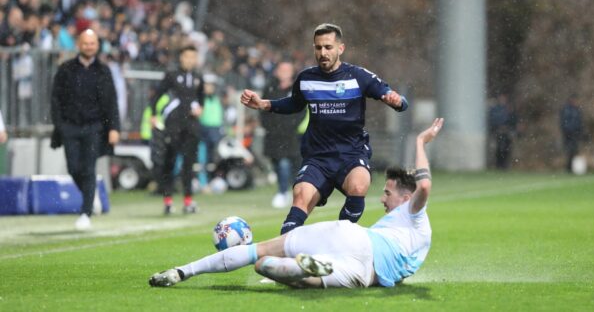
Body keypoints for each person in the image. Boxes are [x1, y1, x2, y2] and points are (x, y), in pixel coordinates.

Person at [148, 118, 443, 289]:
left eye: (388, 193)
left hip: (348, 235)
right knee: (305, 282)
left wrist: (420, 142)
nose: (382, 198)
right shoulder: (414, 237)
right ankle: (304, 270)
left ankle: (182, 272)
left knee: (258, 254)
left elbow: (425, 185)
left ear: (406, 198)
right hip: (364, 271)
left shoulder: (413, 212)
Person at [241, 23, 408, 234]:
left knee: (358, 186)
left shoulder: (358, 76)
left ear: (341, 48)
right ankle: (283, 252)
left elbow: (398, 101)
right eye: (318, 48)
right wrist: (264, 104)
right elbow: (294, 104)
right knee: (301, 195)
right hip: (318, 157)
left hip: (351, 153)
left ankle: (338, 240)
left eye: (328, 47)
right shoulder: (306, 78)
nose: (323, 53)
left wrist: (397, 101)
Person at [50, 29, 120, 230]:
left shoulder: (104, 71)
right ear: (78, 44)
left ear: (97, 45)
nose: (89, 46)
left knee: (89, 169)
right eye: (86, 43)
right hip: (70, 126)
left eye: (93, 43)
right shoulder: (65, 69)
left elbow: (111, 102)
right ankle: (91, 195)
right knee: (73, 168)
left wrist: (114, 128)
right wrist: (60, 125)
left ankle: (85, 211)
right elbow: (56, 99)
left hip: (94, 127)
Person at [151, 45, 204, 214]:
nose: (190, 60)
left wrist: (200, 108)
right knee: (170, 163)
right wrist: (153, 114)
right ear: (181, 58)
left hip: (191, 127)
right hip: (173, 126)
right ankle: (168, 201)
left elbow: (201, 99)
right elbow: (156, 95)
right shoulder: (171, 75)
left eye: (193, 57)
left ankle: (188, 201)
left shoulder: (198, 77)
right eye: (187, 56)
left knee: (188, 165)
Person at [260, 61, 304, 208]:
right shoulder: (270, 87)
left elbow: (301, 111)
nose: (284, 72)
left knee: (286, 163)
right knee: (276, 162)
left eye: (287, 69)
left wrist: (291, 126)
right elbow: (263, 108)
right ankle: (285, 190)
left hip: (291, 135)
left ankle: (284, 192)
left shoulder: (297, 89)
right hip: (273, 134)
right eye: (281, 69)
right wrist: (269, 126)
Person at [488, 94, 517, 169]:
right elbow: (493, 120)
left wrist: (509, 127)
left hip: (507, 132)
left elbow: (513, 119)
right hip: (498, 132)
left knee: (507, 149)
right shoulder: (495, 109)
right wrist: (499, 127)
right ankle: (498, 165)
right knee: (498, 149)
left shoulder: (508, 108)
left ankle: (505, 165)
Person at [560, 94, 584, 172]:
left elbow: (579, 122)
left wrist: (579, 131)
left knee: (574, 150)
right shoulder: (567, 110)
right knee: (570, 150)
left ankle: (572, 168)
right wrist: (567, 131)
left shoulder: (577, 109)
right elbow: (564, 122)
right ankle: (568, 168)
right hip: (569, 134)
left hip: (575, 133)